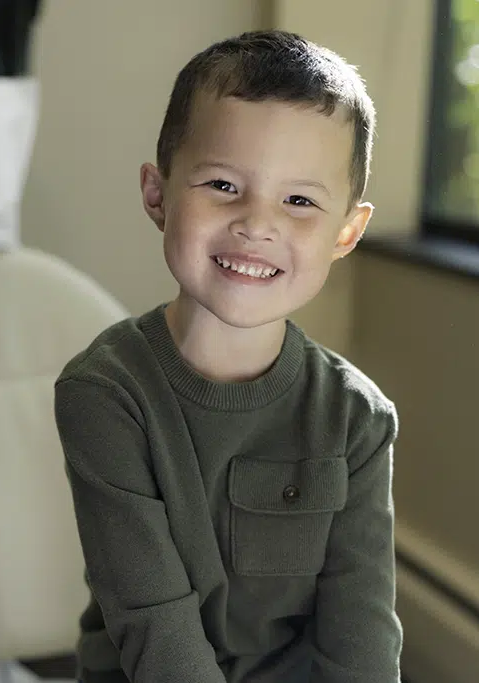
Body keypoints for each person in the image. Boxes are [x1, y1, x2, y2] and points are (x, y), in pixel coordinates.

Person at [54, 29, 401, 683]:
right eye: (222, 184)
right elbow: (158, 633)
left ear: (346, 231)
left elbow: (362, 634)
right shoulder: (104, 391)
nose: (257, 223)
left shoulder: (358, 418)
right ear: (158, 195)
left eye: (299, 200)